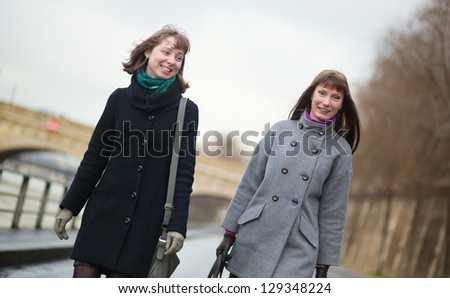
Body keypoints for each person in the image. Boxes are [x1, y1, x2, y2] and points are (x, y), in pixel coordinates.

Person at [54, 24, 199, 278]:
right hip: (103, 213)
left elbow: (184, 174)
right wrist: (70, 206)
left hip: (144, 224)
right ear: (147, 53)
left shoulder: (186, 110)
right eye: (166, 52)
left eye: (179, 58)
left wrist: (178, 226)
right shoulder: (119, 99)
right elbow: (95, 157)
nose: (172, 61)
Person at [216, 70, 361, 278]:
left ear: (342, 104)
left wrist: (323, 265)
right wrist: (229, 234)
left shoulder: (340, 151)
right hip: (255, 238)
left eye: (335, 97)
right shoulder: (280, 130)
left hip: (298, 250)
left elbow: (333, 212)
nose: (326, 102)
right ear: (312, 94)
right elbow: (250, 184)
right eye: (322, 93)